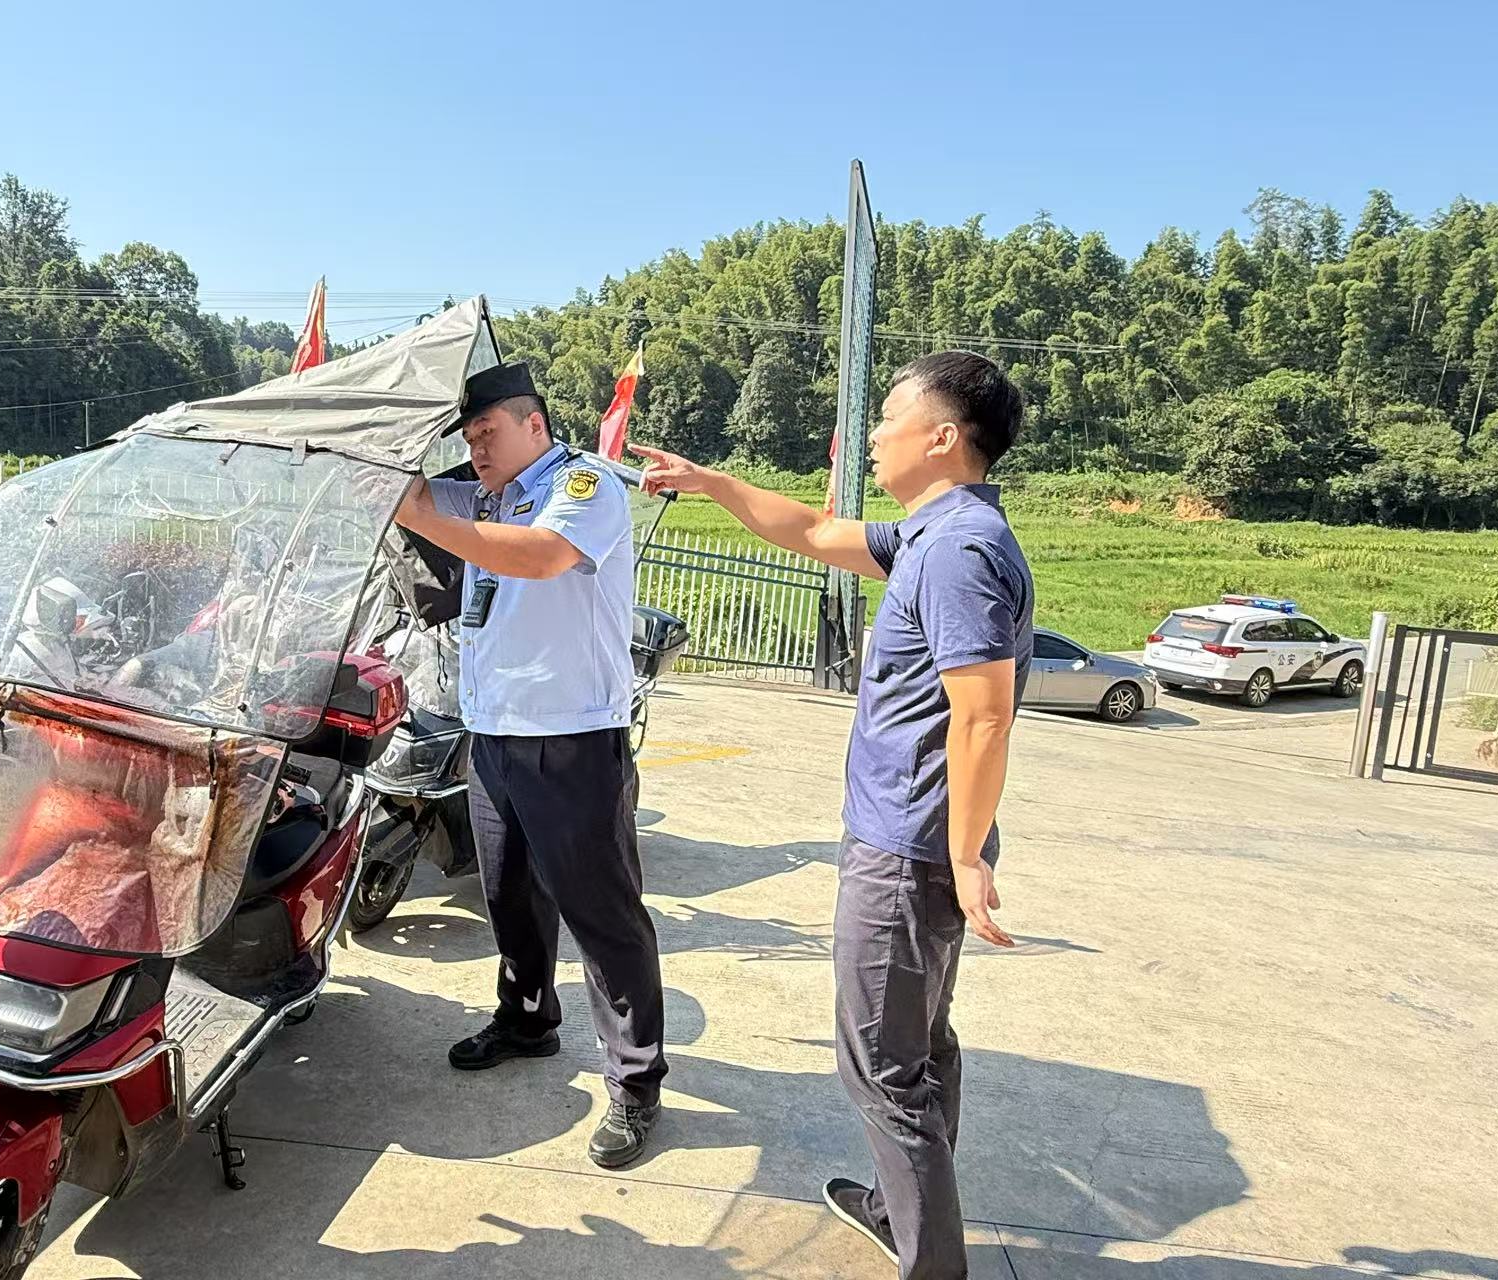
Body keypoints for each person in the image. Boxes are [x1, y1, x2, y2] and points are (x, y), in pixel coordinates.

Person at [632, 351, 1033, 1279]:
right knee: (918, 1046)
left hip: (909, 850)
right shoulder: (935, 533)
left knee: (882, 1067)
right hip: (913, 840)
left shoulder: (959, 552)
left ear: (943, 437)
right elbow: (812, 529)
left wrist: (964, 856)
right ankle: (901, 1211)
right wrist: (711, 482)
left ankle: (930, 1261)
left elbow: (984, 714)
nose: (874, 434)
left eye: (890, 417)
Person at [392, 361, 669, 1169]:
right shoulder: (481, 498)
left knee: (602, 915)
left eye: (489, 432)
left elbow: (544, 556)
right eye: (468, 437)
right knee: (507, 892)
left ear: (534, 425)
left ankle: (636, 1082)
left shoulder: (583, 486)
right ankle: (526, 1020)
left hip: (571, 737)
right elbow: (403, 493)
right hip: (494, 734)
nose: (476, 449)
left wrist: (422, 509)